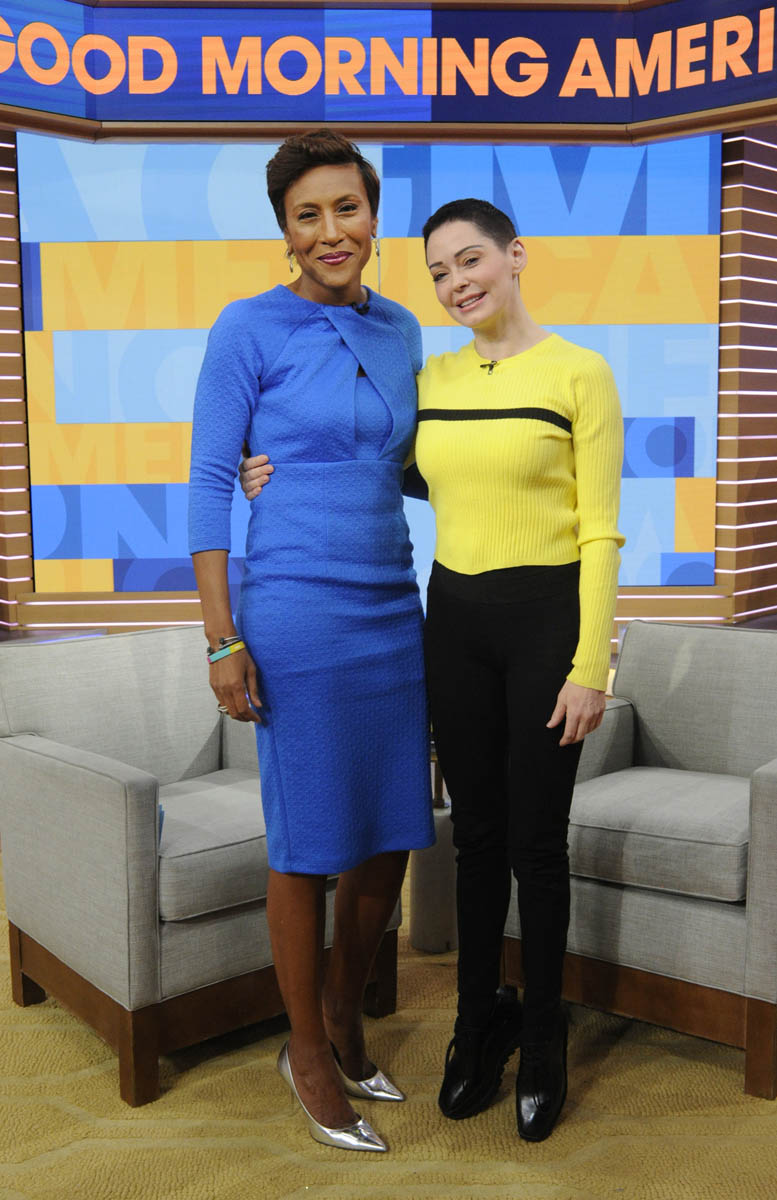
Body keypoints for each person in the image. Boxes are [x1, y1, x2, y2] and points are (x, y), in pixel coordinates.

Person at [241, 196, 624, 1144]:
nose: (456, 283)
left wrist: (590, 665)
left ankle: (542, 1037)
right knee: (475, 837)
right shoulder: (433, 374)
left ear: (515, 255)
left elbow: (602, 530)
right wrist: (269, 468)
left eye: (470, 261)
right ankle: (474, 1026)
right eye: (440, 272)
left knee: (536, 842)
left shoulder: (579, 370)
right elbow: (383, 463)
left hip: (547, 622)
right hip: (450, 620)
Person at [188, 129, 435, 1155]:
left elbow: (407, 465)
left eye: (347, 209)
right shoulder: (247, 327)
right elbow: (210, 483)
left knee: (390, 834)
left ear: (373, 216)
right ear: (285, 231)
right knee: (308, 844)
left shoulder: (404, 329)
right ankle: (306, 1052)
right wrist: (221, 642)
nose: (331, 231)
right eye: (308, 215)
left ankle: (343, 1009)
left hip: (391, 606)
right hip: (295, 610)